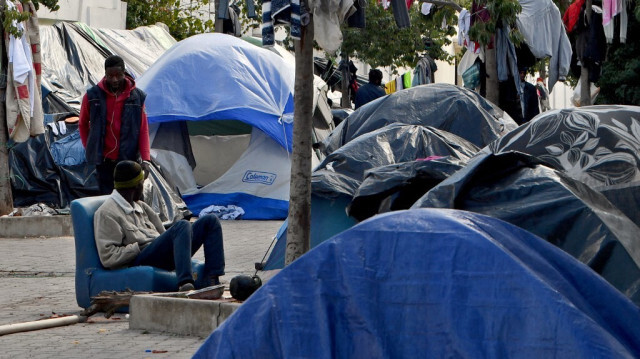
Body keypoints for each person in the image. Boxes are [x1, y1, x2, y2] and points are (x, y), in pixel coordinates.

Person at [93, 160, 225, 292]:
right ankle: (185, 282)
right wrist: (137, 248)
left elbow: (163, 235)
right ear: (136, 186)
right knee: (182, 225)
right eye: (142, 183)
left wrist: (178, 241)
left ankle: (212, 280)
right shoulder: (106, 213)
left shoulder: (141, 206)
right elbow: (108, 257)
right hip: (139, 259)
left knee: (210, 221)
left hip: (157, 253)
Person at [79, 55, 151, 195]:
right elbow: (82, 124)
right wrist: (90, 147)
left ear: (124, 73)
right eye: (110, 75)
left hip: (129, 161)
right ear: (105, 74)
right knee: (107, 201)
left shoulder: (137, 97)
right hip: (104, 162)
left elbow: (143, 129)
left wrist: (146, 159)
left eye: (118, 75)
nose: (114, 79)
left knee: (131, 201)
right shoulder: (92, 96)